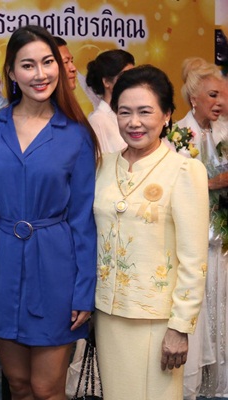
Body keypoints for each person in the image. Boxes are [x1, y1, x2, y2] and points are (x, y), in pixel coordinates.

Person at [0, 25, 99, 400]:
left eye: (48, 62)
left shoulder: (76, 133)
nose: (40, 74)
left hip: (55, 269)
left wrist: (84, 292)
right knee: (18, 385)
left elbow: (83, 219)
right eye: (28, 65)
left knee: (47, 389)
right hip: (1, 266)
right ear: (12, 72)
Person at [93, 64, 209, 399]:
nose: (134, 122)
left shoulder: (184, 171)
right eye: (124, 112)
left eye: (145, 112)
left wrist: (180, 327)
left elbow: (194, 259)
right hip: (108, 315)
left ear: (167, 115)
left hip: (158, 321)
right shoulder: (102, 165)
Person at [173, 57, 228, 399]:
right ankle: (192, 382)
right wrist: (212, 184)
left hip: (222, 238)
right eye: (213, 95)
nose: (220, 102)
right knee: (198, 309)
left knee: (221, 308)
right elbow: (175, 187)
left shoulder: (224, 132)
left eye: (223, 95)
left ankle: (218, 382)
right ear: (194, 98)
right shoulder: (178, 135)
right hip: (195, 238)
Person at [86, 49, 135, 153]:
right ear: (106, 82)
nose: (132, 81)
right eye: (125, 76)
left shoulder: (133, 115)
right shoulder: (97, 121)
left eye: (133, 75)